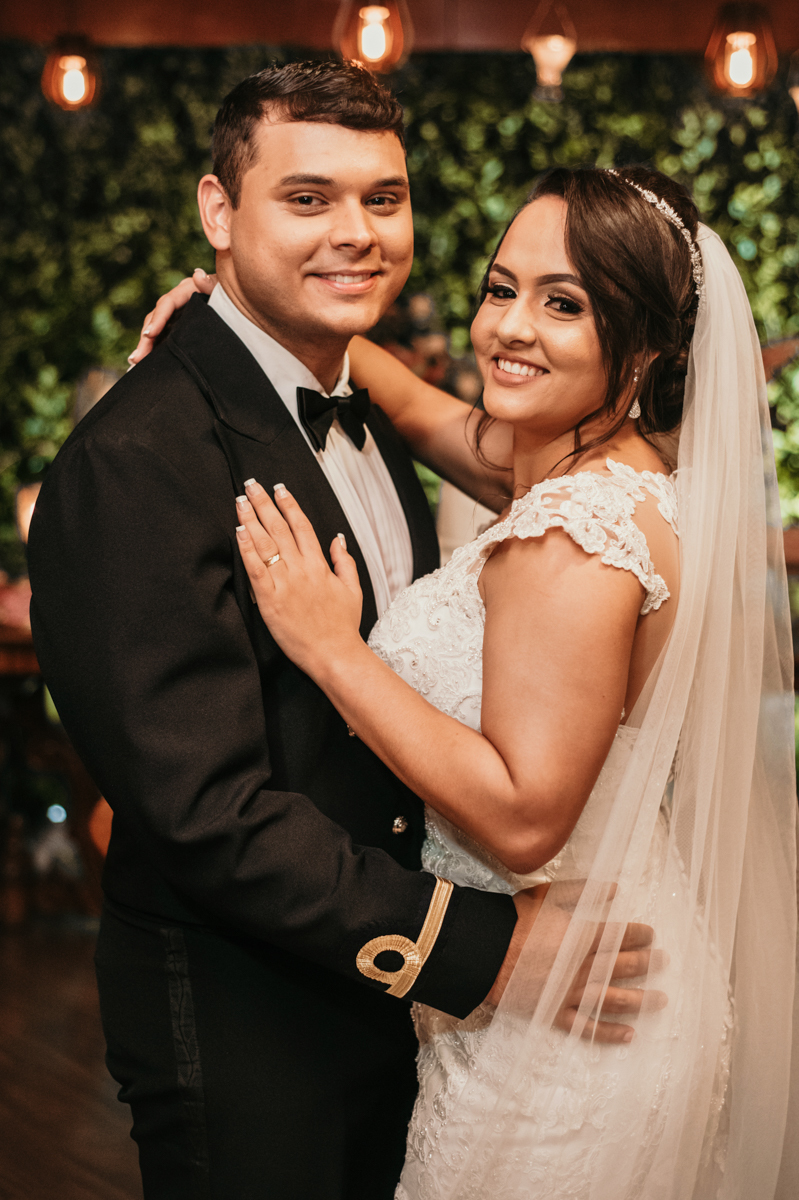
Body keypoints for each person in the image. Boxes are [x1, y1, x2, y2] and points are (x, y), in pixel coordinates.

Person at [26, 64, 656, 1200]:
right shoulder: (137, 460)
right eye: (307, 199)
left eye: (383, 198)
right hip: (253, 1026)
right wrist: (477, 948)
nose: (356, 233)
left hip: (402, 1023)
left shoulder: (374, 408)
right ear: (220, 213)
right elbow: (204, 811)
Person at [155, 163, 798, 1198]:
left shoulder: (571, 537)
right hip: (586, 968)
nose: (510, 327)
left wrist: (331, 649)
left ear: (640, 348)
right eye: (502, 288)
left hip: (573, 1016)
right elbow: (414, 405)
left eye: (563, 304)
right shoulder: (600, 468)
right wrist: (235, 315)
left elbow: (523, 818)